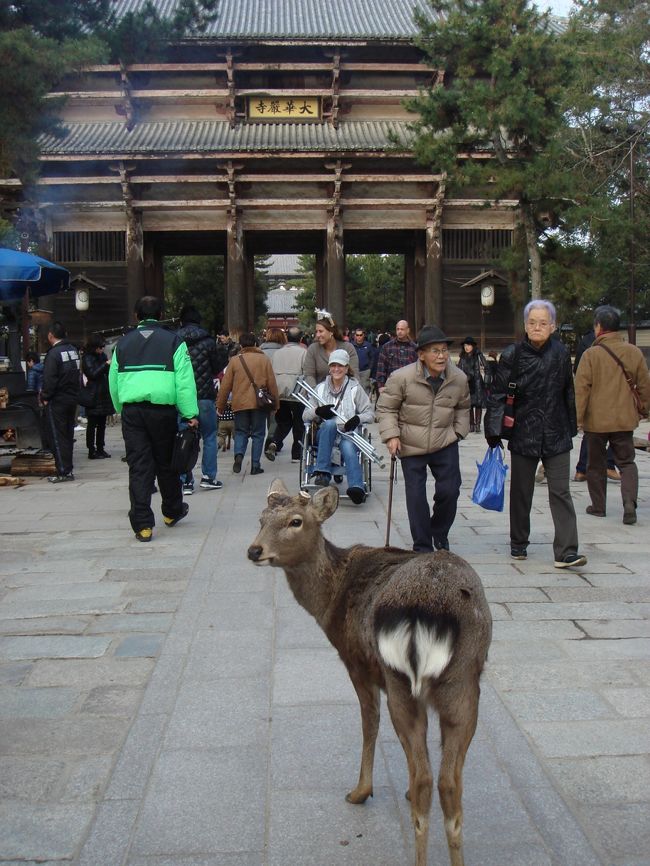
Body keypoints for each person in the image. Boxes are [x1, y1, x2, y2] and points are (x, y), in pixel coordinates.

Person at [484, 299, 587, 568]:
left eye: (543, 323)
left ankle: (566, 551)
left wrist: (572, 426)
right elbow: (497, 394)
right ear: (525, 325)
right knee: (521, 492)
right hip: (524, 430)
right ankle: (519, 542)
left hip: (556, 430)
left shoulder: (561, 353)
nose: (537, 327)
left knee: (561, 492)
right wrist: (493, 430)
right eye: (532, 322)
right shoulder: (513, 354)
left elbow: (568, 391)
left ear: (553, 326)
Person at [109, 296, 199, 542]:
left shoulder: (122, 344)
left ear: (136, 316)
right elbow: (184, 382)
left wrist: (121, 408)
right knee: (166, 463)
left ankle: (143, 525)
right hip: (162, 411)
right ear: (160, 315)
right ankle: (171, 511)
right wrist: (190, 414)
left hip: (132, 411)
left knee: (139, 466)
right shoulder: (174, 341)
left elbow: (113, 381)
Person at [377, 325, 469, 551]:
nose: (441, 356)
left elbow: (463, 406)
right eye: (435, 351)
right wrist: (392, 435)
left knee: (450, 491)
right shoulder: (402, 377)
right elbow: (386, 408)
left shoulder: (458, 378)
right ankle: (422, 545)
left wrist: (458, 432)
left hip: (445, 440)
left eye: (444, 350)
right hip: (410, 442)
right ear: (421, 355)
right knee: (416, 496)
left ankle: (439, 531)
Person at [574, 305, 650, 526]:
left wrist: (577, 419)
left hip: (596, 421)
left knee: (595, 464)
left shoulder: (590, 355)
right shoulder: (634, 352)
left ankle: (598, 507)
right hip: (624, 419)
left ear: (598, 327)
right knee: (626, 462)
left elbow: (581, 390)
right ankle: (629, 503)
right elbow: (644, 385)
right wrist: (644, 409)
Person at [302, 349, 373, 504]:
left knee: (348, 446)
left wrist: (357, 419)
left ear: (346, 368)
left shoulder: (355, 388)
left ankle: (356, 487)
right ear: (329, 368)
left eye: (340, 366)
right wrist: (317, 411)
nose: (336, 369)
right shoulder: (320, 388)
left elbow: (370, 413)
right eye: (333, 365)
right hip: (325, 434)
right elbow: (305, 415)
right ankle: (323, 473)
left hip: (347, 433)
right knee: (329, 424)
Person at [176, 305, 226, 494]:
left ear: (181, 321)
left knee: (183, 437)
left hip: (182, 397)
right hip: (204, 396)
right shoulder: (208, 341)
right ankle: (208, 477)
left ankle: (185, 480)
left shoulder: (174, 340)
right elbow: (217, 368)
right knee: (210, 436)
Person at [216, 332, 279, 475]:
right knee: (258, 434)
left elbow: (225, 385)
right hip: (259, 403)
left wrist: (220, 405)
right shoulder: (264, 360)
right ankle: (255, 465)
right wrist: (275, 404)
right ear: (256, 344)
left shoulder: (234, 361)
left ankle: (239, 455)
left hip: (240, 402)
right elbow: (272, 383)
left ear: (241, 345)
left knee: (240, 432)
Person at [572, 326, 620, 483]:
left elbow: (578, 371)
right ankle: (609, 464)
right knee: (618, 432)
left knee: (590, 433)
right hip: (613, 394)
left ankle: (581, 470)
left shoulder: (586, 341)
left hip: (594, 394)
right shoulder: (620, 343)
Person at [41, 322, 81, 483]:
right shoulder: (73, 350)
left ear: (51, 335)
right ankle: (68, 468)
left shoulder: (53, 354)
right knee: (68, 435)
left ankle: (63, 471)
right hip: (72, 398)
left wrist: (45, 396)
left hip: (57, 399)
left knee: (57, 436)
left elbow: (50, 378)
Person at [267, 325, 307, 463]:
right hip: (297, 392)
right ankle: (296, 454)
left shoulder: (278, 353)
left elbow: (271, 373)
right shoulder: (304, 353)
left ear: (287, 338)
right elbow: (306, 372)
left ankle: (275, 442)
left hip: (279, 392)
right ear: (301, 338)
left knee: (283, 422)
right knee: (299, 423)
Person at [302, 310, 359, 386]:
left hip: (345, 390)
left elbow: (354, 374)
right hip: (317, 391)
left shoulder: (348, 348)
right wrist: (315, 391)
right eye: (316, 331)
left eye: (321, 331)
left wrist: (352, 390)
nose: (317, 335)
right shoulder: (313, 349)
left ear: (331, 332)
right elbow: (309, 375)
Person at [80, 334, 114, 459]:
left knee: (102, 424)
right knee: (92, 424)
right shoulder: (87, 358)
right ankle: (91, 450)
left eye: (103, 347)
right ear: (94, 347)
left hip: (103, 393)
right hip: (93, 394)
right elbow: (92, 374)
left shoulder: (102, 356)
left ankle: (101, 448)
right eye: (100, 347)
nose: (102, 349)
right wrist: (105, 365)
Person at [375, 319, 418, 391]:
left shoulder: (414, 348)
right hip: (391, 386)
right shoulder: (387, 347)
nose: (399, 331)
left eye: (402, 329)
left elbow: (419, 368)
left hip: (410, 386)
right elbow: (381, 367)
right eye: (398, 329)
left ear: (408, 330)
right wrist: (381, 386)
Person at [456, 337, 487, 433]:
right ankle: (471, 425)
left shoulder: (478, 355)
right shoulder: (462, 357)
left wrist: (487, 381)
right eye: (465, 345)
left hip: (477, 382)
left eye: (469, 345)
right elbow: (459, 369)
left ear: (473, 346)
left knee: (478, 404)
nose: (467, 347)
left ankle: (477, 425)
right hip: (467, 382)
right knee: (468, 404)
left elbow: (486, 367)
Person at [351, 327, 377, 395]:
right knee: (355, 389)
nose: (359, 337)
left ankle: (366, 401)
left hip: (365, 371)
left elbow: (372, 358)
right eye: (357, 335)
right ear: (355, 336)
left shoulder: (368, 345)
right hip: (354, 371)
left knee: (365, 389)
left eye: (360, 335)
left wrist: (370, 369)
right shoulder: (351, 345)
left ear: (363, 335)